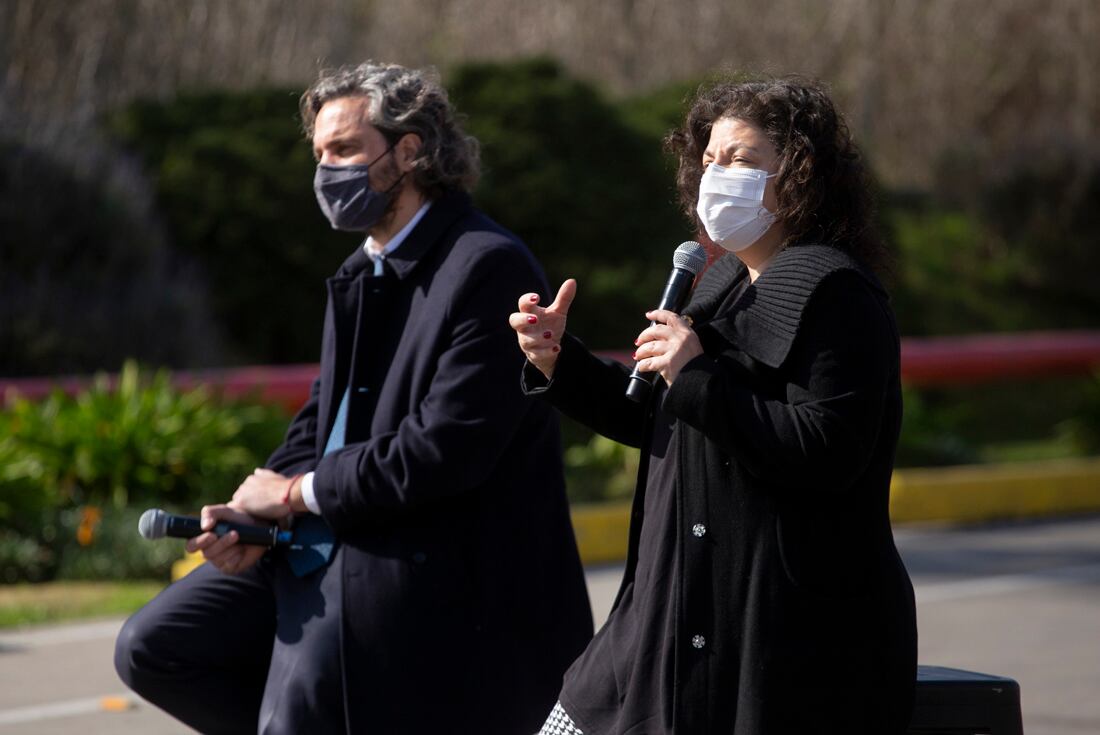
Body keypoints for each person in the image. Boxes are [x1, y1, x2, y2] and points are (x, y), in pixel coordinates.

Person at [115, 61, 593, 735]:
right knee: (153, 646)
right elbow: (325, 414)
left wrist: (293, 495)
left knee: (304, 704)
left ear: (409, 149)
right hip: (333, 534)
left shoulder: (487, 263)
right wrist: (256, 512)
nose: (325, 171)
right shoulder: (359, 270)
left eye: (343, 149)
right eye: (319, 154)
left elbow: (443, 451)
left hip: (426, 564)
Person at [512, 76, 917, 734]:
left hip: (779, 641)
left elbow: (828, 448)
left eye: (741, 160)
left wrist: (697, 375)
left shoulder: (838, 293)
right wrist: (559, 359)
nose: (716, 176)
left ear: (800, 175)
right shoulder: (720, 278)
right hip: (666, 618)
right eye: (708, 160)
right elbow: (663, 420)